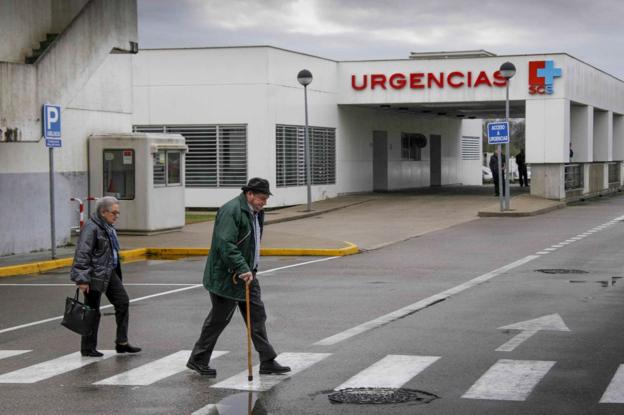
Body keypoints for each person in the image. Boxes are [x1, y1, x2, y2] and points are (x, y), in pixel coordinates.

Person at [187, 178, 291, 377]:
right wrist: (242, 267)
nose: (264, 202)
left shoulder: (256, 212)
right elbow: (226, 244)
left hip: (247, 274)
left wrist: (249, 268)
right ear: (249, 194)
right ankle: (198, 359)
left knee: (257, 316)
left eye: (266, 199)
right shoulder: (231, 210)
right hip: (227, 276)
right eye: (261, 198)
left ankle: (267, 360)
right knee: (219, 319)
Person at [70, 196, 141, 357]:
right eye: (114, 213)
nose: (116, 216)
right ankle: (88, 348)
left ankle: (122, 343)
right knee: (92, 311)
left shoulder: (107, 227)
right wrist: (82, 279)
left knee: (122, 302)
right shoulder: (92, 227)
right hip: (94, 275)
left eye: (118, 213)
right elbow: (82, 253)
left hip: (109, 272)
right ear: (103, 212)